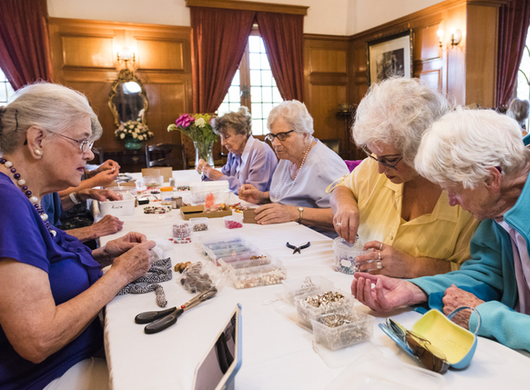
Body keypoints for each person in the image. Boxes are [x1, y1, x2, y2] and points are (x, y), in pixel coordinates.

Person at [351, 108, 530, 385]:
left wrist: (488, 317)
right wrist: (417, 290)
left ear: (491, 178)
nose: (452, 202)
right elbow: (488, 273)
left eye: (454, 191)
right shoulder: (506, 196)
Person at [0, 82, 158, 390]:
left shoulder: (18, 192)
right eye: (81, 141)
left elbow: (41, 269)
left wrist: (101, 254)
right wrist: (120, 275)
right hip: (37, 377)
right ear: (37, 139)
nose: (89, 154)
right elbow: (38, 339)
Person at [331, 78, 479, 278]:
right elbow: (342, 188)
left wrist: (413, 267)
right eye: (376, 156)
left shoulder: (466, 195)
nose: (380, 169)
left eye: (390, 160)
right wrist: (345, 205)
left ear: (422, 148)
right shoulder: (374, 166)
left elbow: (476, 276)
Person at [237, 100, 348, 233]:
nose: (276, 143)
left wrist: (294, 213)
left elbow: (344, 216)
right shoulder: (288, 156)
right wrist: (263, 196)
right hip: (289, 233)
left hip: (319, 240)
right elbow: (294, 193)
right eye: (272, 136)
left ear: (305, 134)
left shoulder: (324, 164)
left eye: (283, 136)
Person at [196, 106, 277, 194]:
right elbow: (223, 177)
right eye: (221, 137)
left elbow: (253, 193)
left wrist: (220, 177)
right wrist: (207, 171)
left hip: (261, 205)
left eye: (227, 137)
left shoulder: (261, 151)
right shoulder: (234, 152)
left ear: (243, 133)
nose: (222, 143)